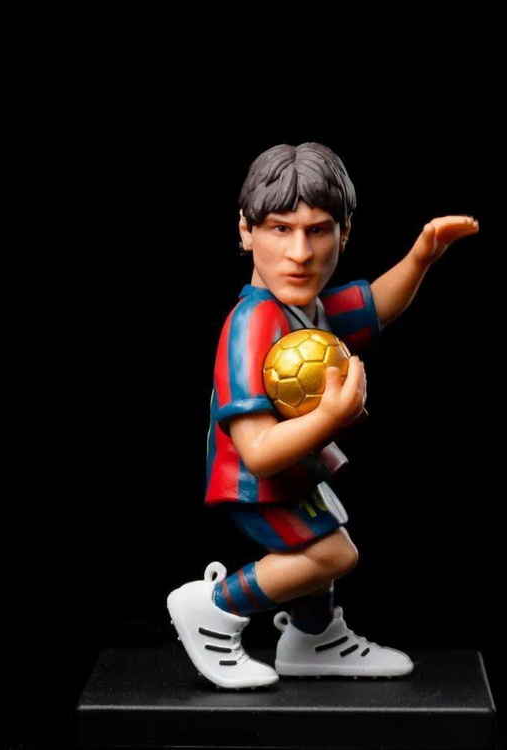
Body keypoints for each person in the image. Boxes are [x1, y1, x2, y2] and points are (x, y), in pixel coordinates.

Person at [167, 143, 478, 689]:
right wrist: (330, 417)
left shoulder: (305, 308)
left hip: (296, 470)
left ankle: (314, 638)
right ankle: (212, 607)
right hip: (255, 483)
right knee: (331, 554)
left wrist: (421, 258)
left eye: (317, 230)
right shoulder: (253, 325)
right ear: (245, 232)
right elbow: (259, 453)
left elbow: (375, 305)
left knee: (320, 540)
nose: (300, 253)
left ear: (345, 232)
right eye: (280, 229)